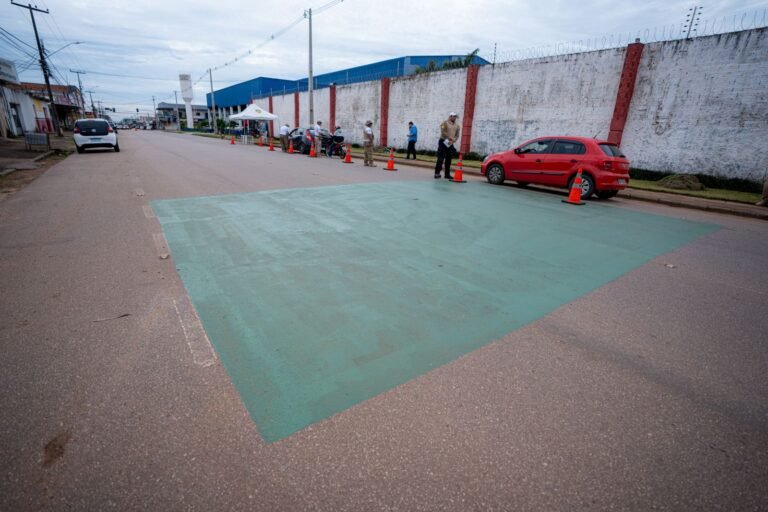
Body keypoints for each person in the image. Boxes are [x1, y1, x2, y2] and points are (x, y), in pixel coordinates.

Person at [435, 112, 460, 179]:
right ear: (450, 116)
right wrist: (449, 137)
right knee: (440, 158)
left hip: (450, 143)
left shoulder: (457, 125)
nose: (454, 118)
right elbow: (443, 132)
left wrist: (453, 140)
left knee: (449, 159)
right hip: (443, 141)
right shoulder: (444, 123)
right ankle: (437, 173)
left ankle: (447, 174)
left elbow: (457, 135)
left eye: (455, 116)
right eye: (453, 116)